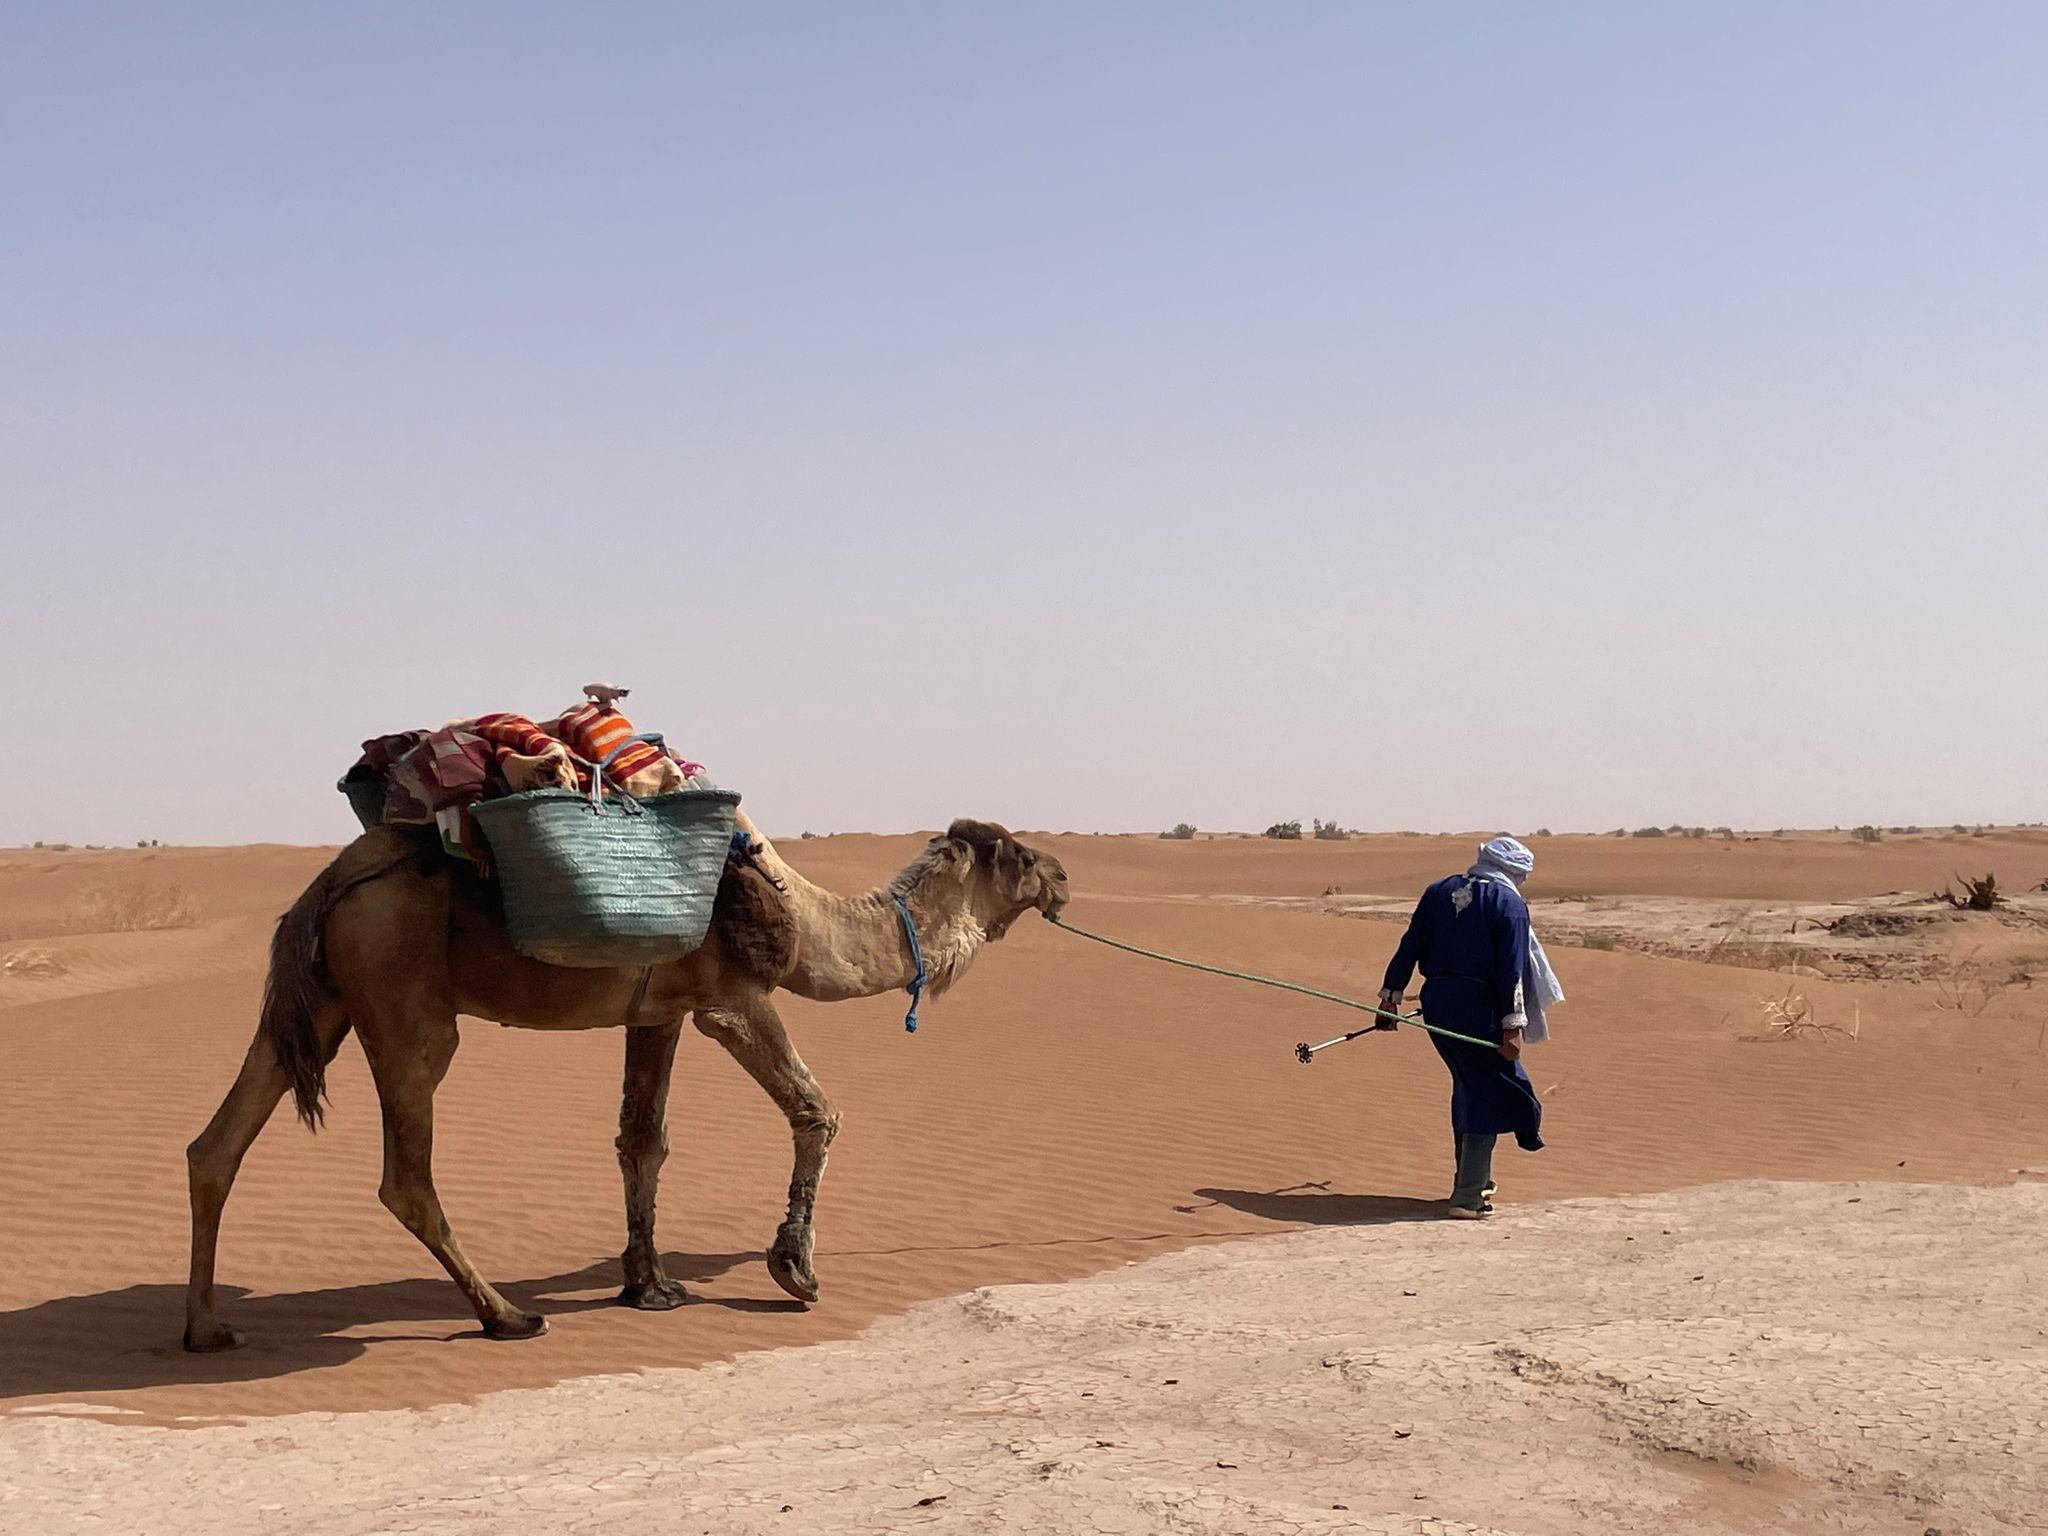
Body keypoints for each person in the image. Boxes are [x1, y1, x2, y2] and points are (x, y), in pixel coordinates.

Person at [1378, 836, 1563, 1219]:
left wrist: (1390, 997)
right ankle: (1467, 1195)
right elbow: (1511, 969)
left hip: (1438, 1004)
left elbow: (1410, 945)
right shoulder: (1509, 904)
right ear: (1514, 869)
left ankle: (1475, 1179)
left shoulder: (1438, 891)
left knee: (1471, 1082)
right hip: (1479, 1008)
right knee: (1495, 1089)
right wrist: (1513, 1026)